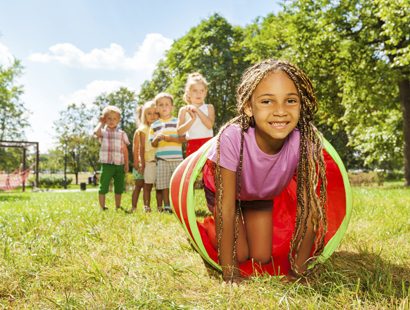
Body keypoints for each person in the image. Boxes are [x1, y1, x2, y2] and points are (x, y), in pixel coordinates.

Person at [205, 59, 328, 283]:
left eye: (290, 100)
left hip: (260, 193)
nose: (280, 111)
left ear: (301, 104)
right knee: (239, 254)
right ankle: (209, 225)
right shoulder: (233, 137)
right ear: (248, 107)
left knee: (261, 257)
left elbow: (310, 210)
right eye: (267, 101)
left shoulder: (304, 141)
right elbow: (226, 208)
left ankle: (245, 224)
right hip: (225, 192)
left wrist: (297, 272)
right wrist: (229, 272)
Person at [150, 92, 185, 213]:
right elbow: (152, 144)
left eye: (167, 104)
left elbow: (183, 139)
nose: (164, 107)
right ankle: (167, 206)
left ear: (172, 107)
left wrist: (169, 138)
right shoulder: (154, 125)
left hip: (177, 159)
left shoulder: (178, 122)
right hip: (162, 160)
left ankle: (178, 205)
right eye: (161, 105)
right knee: (164, 184)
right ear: (157, 108)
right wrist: (156, 139)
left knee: (177, 184)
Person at [93, 105, 130, 211]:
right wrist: (101, 122)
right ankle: (102, 207)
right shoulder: (103, 133)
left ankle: (118, 206)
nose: (111, 121)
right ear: (105, 119)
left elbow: (125, 150)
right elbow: (96, 132)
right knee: (103, 186)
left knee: (119, 187)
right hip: (107, 164)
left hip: (120, 164)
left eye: (114, 119)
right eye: (109, 118)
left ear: (118, 120)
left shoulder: (122, 134)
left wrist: (126, 164)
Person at [130, 100, 159, 213]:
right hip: (142, 162)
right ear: (144, 115)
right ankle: (134, 207)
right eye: (149, 113)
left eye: (155, 113)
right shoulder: (141, 130)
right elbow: (137, 147)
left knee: (150, 185)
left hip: (152, 161)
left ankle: (153, 205)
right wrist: (138, 162)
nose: (152, 116)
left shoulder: (157, 128)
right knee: (139, 185)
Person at [177, 72, 215, 156]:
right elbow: (179, 132)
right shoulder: (184, 110)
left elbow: (209, 125)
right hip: (192, 144)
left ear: (205, 93)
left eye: (202, 90)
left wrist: (197, 110)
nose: (199, 93)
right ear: (188, 92)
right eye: (195, 90)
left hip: (208, 144)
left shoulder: (209, 107)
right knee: (194, 169)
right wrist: (192, 120)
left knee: (208, 169)